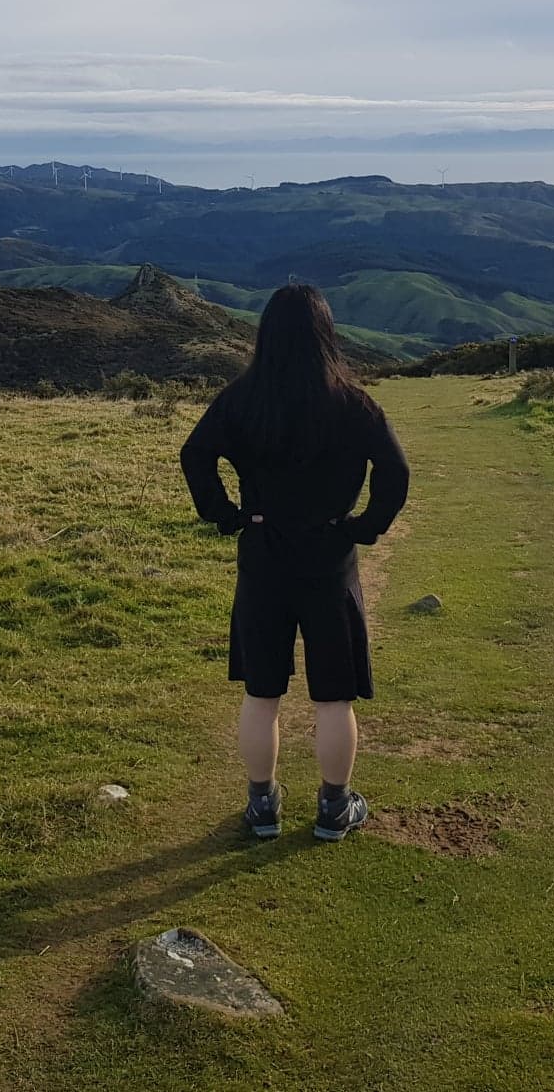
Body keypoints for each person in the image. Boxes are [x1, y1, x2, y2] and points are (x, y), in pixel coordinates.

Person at [179, 284, 411, 842]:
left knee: (262, 693)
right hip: (331, 559)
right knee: (334, 694)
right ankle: (334, 808)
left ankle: (263, 808)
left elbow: (195, 454)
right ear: (325, 334)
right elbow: (396, 473)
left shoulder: (242, 397)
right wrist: (363, 527)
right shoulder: (353, 403)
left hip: (263, 558)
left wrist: (228, 516)